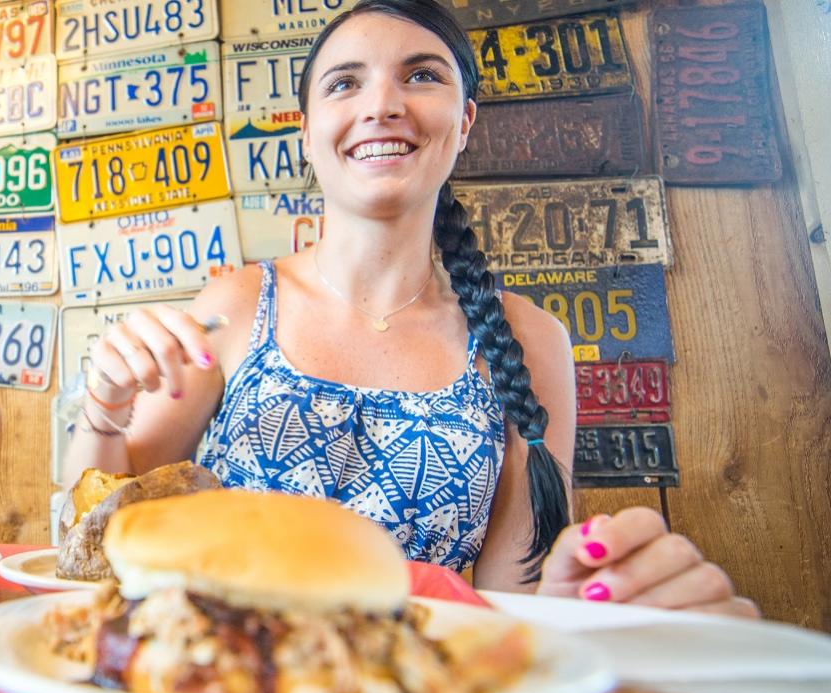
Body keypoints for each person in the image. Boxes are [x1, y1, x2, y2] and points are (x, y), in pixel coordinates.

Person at [64, 0, 757, 617]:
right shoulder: (239, 304)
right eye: (345, 83)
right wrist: (103, 409)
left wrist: (602, 617)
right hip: (224, 669)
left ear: (464, 123)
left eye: (422, 76)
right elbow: (91, 543)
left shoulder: (530, 341)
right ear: (307, 131)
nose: (382, 104)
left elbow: (512, 603)